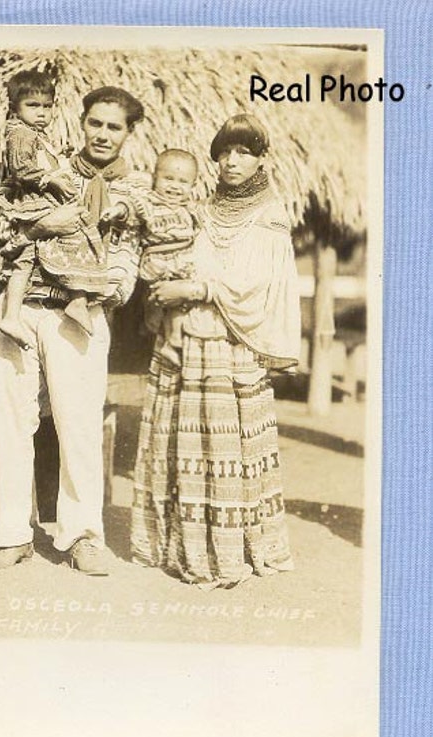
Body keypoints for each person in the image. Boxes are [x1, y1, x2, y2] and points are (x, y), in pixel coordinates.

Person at [130, 113, 301, 589]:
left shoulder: (268, 215)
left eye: (244, 152)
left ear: (260, 157)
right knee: (182, 444)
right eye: (225, 152)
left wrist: (193, 289)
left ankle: (232, 552)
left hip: (230, 344)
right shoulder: (201, 209)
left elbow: (254, 284)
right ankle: (182, 549)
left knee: (226, 449)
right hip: (184, 339)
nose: (232, 161)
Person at [0, 86, 145, 574]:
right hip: (21, 305)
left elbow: (129, 258)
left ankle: (81, 536)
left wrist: (99, 292)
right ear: (82, 122)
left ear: (128, 133)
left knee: (78, 425)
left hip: (80, 314)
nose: (102, 133)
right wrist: (40, 228)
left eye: (114, 126)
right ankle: (12, 533)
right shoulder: (39, 166)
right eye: (95, 122)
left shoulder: (134, 192)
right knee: (11, 420)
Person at [0, 70, 107, 347]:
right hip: (33, 202)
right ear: (14, 108)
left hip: (38, 200)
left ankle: (70, 301)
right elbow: (22, 169)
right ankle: (76, 299)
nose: (42, 112)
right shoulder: (20, 133)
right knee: (73, 230)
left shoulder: (36, 134)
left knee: (28, 256)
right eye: (33, 106)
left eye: (47, 106)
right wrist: (51, 179)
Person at [100, 148, 200, 365]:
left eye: (183, 182)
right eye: (168, 179)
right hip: (159, 259)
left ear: (192, 186)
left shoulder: (189, 208)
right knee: (162, 300)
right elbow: (132, 207)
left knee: (178, 303)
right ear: (155, 179)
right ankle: (164, 336)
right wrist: (117, 210)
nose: (174, 186)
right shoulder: (150, 202)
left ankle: (168, 338)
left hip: (183, 257)